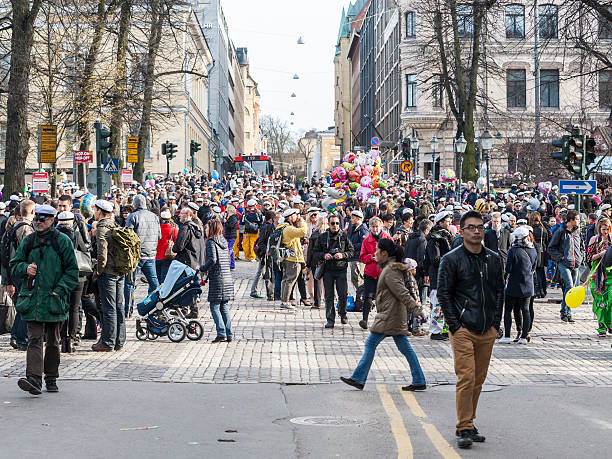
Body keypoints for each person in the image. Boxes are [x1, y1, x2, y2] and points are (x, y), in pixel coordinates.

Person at [437, 210, 504, 449]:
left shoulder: (494, 258)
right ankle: (463, 426)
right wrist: (455, 325)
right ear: (462, 231)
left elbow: (499, 291)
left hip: (487, 328)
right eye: (471, 227)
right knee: (466, 377)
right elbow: (444, 293)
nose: (476, 231)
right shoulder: (452, 259)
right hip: (463, 328)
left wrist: (496, 323)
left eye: (480, 227)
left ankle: (470, 421)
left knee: (479, 379)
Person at [340, 239, 426, 391]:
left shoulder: (390, 271)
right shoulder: (388, 268)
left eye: (377, 250)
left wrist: (416, 310)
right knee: (405, 348)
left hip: (390, 316)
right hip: (391, 314)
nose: (375, 254)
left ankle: (358, 378)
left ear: (384, 253)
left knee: (371, 344)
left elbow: (403, 293)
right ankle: (419, 380)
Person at [10, 205, 79, 394]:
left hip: (53, 300)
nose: (38, 222)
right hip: (32, 300)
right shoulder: (29, 241)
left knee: (53, 341)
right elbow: (14, 264)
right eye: (37, 219)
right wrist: (25, 268)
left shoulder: (62, 242)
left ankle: (51, 377)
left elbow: (72, 272)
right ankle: (33, 379)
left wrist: (59, 290)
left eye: (43, 219)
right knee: (34, 339)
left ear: (52, 221)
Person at [55, 211, 91, 353]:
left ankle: (62, 337)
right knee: (74, 307)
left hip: (59, 276)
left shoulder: (54, 234)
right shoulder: (76, 233)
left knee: (62, 306)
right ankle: (72, 337)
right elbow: (85, 249)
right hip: (77, 276)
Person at [92, 200, 125, 352]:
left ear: (100, 211)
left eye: (95, 210)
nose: (94, 212)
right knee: (118, 306)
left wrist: (99, 270)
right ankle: (119, 340)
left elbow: (102, 252)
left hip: (109, 272)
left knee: (109, 307)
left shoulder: (101, 227)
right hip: (120, 270)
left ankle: (107, 342)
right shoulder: (115, 225)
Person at [313, 213, 354, 328]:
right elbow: (315, 253)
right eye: (332, 223)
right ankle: (330, 319)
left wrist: (342, 255)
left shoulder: (344, 236)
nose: (335, 226)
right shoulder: (322, 237)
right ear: (329, 224)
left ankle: (342, 313)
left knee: (343, 294)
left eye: (337, 223)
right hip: (328, 270)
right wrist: (324, 255)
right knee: (329, 296)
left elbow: (351, 251)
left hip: (341, 269)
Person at [498, 226, 537, 344]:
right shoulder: (533, 249)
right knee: (526, 310)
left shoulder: (513, 250)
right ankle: (524, 337)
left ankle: (507, 336)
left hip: (514, 284)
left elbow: (508, 268)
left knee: (508, 310)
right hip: (528, 283)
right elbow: (534, 266)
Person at [6, 200, 35, 351]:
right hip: (23, 270)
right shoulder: (26, 228)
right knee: (26, 306)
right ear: (31, 212)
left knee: (22, 306)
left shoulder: (14, 226)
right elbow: (29, 251)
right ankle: (22, 338)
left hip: (15, 270)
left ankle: (15, 336)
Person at [200, 220, 234, 343]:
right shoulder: (223, 241)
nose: (205, 230)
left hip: (218, 278)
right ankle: (229, 334)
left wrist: (202, 268)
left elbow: (212, 259)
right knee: (224, 306)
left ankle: (221, 333)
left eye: (207, 228)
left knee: (214, 306)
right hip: (227, 277)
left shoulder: (211, 242)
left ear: (212, 229)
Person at [547, 210, 583, 323]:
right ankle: (566, 312)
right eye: (577, 219)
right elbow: (551, 248)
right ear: (571, 220)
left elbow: (581, 246)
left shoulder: (578, 232)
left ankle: (566, 312)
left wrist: (580, 257)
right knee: (570, 286)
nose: (579, 221)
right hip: (564, 263)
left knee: (570, 289)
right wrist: (561, 257)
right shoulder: (561, 231)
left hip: (576, 263)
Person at [424, 211, 454, 340]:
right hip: (438, 275)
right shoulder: (434, 239)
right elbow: (435, 259)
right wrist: (450, 259)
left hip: (448, 275)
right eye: (447, 221)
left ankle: (446, 330)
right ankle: (435, 331)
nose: (449, 223)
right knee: (437, 305)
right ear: (440, 223)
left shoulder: (447, 236)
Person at [359, 217, 392, 329]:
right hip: (370, 272)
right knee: (368, 296)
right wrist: (371, 257)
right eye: (373, 226)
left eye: (377, 226)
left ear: (381, 227)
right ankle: (364, 319)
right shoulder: (366, 241)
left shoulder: (388, 239)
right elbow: (362, 257)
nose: (375, 229)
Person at [126, 194, 161, 295]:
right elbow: (159, 236)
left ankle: (129, 310)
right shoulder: (154, 216)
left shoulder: (133, 216)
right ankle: (155, 306)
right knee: (154, 284)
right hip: (151, 254)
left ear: (135, 204)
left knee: (129, 284)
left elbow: (127, 237)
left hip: (136, 256)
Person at [277, 208, 307, 310]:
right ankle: (285, 302)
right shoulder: (289, 228)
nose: (297, 216)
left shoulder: (284, 227)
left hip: (288, 257)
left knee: (286, 279)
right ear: (290, 216)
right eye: (295, 214)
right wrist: (303, 221)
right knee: (290, 280)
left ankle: (284, 300)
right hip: (293, 258)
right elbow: (303, 232)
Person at [586, 217, 612, 337]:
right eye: (603, 229)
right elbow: (589, 258)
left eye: (607, 229)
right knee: (600, 302)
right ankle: (601, 326)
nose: (605, 232)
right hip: (597, 275)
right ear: (599, 229)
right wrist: (601, 254)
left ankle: (610, 323)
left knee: (610, 301)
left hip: (611, 274)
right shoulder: (594, 240)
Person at [250, 210, 276, 300]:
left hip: (264, 253)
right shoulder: (266, 227)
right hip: (264, 254)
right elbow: (261, 242)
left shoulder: (266, 226)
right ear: (271, 219)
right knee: (261, 272)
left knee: (261, 272)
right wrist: (267, 251)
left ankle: (253, 290)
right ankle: (253, 291)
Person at [306, 215, 328, 309]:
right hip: (328, 260)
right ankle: (328, 301)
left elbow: (310, 251)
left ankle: (317, 302)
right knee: (328, 282)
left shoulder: (314, 235)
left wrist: (308, 263)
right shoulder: (329, 234)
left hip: (316, 260)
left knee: (317, 281)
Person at [529, 212, 551, 298]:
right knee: (541, 271)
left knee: (536, 271)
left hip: (533, 250)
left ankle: (538, 290)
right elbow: (548, 238)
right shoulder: (543, 228)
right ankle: (543, 290)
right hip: (542, 251)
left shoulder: (530, 228)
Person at [346, 210, 368, 292]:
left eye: (353, 218)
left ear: (358, 219)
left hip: (358, 258)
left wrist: (351, 246)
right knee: (354, 279)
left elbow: (363, 244)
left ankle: (361, 297)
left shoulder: (363, 229)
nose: (351, 220)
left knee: (358, 279)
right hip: (353, 257)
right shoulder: (353, 228)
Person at [155, 209, 178, 284]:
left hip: (156, 255)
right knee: (164, 278)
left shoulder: (156, 228)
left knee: (156, 278)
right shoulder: (173, 230)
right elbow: (177, 243)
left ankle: (156, 294)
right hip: (167, 256)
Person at [223, 204, 239, 270]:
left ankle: (226, 263)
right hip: (229, 235)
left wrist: (225, 222)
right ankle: (232, 265)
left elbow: (230, 226)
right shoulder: (231, 217)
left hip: (231, 236)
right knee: (231, 251)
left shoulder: (233, 217)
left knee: (229, 250)